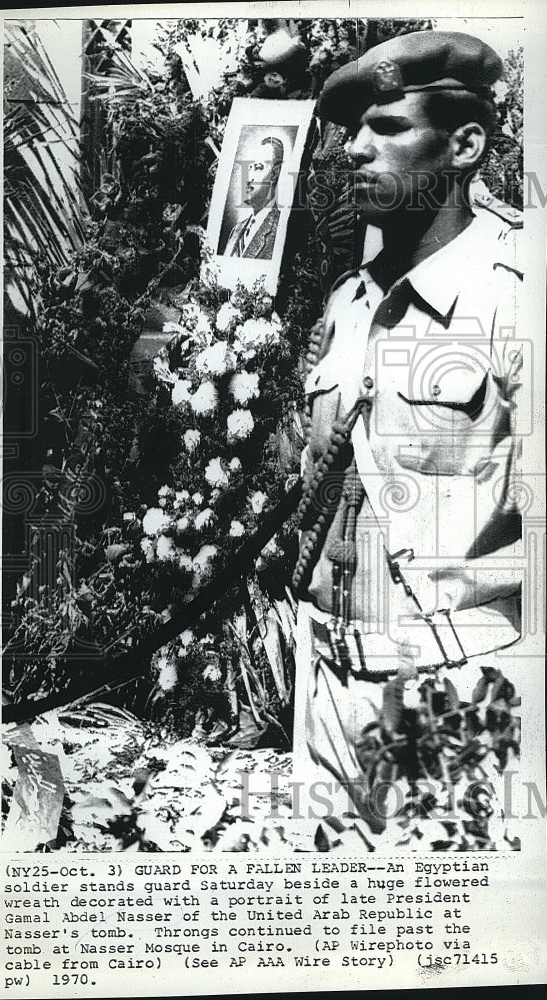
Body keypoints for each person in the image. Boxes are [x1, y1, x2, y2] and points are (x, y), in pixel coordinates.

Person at [293, 30, 523, 842]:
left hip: (455, 691)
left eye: (387, 128)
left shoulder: (515, 300)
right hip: (324, 682)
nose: (353, 150)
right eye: (351, 130)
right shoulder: (347, 303)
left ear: (463, 144)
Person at [224, 135, 284, 259]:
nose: (248, 177)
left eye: (257, 168)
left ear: (274, 174)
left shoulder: (281, 228)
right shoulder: (236, 230)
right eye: (249, 168)